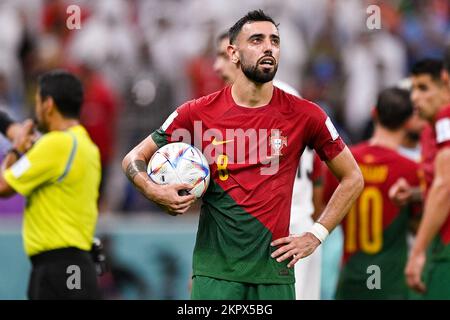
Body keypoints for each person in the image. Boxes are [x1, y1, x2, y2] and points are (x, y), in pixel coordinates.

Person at [123, 10, 363, 300]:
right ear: (233, 53)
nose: (268, 47)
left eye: (274, 41)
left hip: (274, 274)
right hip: (216, 273)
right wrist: (153, 190)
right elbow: (133, 158)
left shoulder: (306, 114)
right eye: (257, 40)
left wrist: (316, 234)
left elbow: (352, 178)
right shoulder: (197, 112)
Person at [214, 30, 324, 300]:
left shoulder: (268, 100)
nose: (217, 67)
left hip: (279, 236)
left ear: (238, 54)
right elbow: (318, 175)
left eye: (222, 55)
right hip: (293, 229)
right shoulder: (286, 98)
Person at [0, 70, 102, 299]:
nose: (35, 109)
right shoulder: (84, 145)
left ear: (48, 104)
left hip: (60, 269)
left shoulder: (56, 145)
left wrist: (15, 149)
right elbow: (22, 134)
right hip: (74, 266)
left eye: (37, 101)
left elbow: (2, 185)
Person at [324, 87, 423, 299]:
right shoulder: (411, 170)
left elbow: (322, 211)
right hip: (389, 282)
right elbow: (418, 225)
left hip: (351, 278)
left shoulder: (344, 163)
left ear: (374, 113)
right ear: (408, 122)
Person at [404, 57, 450, 298]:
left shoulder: (446, 118)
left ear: (445, 82)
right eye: (413, 89)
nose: (414, 98)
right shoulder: (430, 131)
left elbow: (445, 186)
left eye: (423, 88)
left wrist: (417, 251)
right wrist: (415, 194)